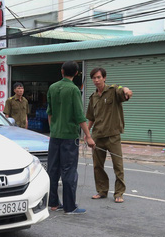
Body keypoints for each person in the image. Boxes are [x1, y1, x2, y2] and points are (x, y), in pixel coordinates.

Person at [46, 61, 94, 215]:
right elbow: (80, 116)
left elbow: (50, 113)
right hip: (69, 137)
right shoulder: (74, 90)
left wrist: (53, 129)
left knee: (53, 170)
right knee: (69, 171)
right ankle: (69, 206)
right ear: (77, 73)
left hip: (55, 135)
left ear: (61, 71)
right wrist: (88, 135)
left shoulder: (52, 88)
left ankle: (53, 203)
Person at [86, 67, 132, 204]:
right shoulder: (93, 97)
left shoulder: (113, 91)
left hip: (113, 135)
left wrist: (127, 90)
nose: (96, 80)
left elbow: (123, 92)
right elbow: (91, 117)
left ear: (104, 78)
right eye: (94, 78)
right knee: (97, 166)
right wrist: (87, 134)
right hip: (97, 136)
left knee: (118, 165)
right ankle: (102, 190)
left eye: (99, 77)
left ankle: (119, 193)